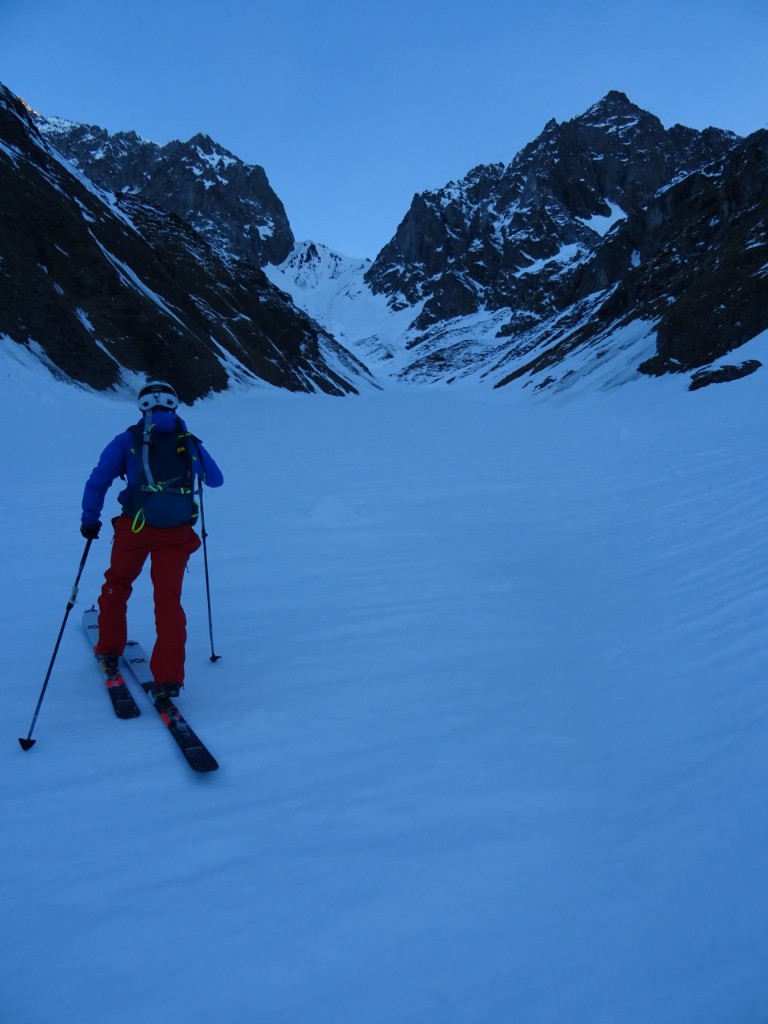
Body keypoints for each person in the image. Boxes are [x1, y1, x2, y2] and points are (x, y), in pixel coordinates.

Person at [80, 381, 224, 698]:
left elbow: (98, 480)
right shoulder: (189, 441)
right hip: (176, 533)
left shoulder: (126, 440)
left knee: (117, 584)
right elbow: (215, 480)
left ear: (142, 407)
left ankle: (108, 648)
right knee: (168, 600)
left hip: (134, 528)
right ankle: (169, 677)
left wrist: (90, 519)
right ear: (174, 406)